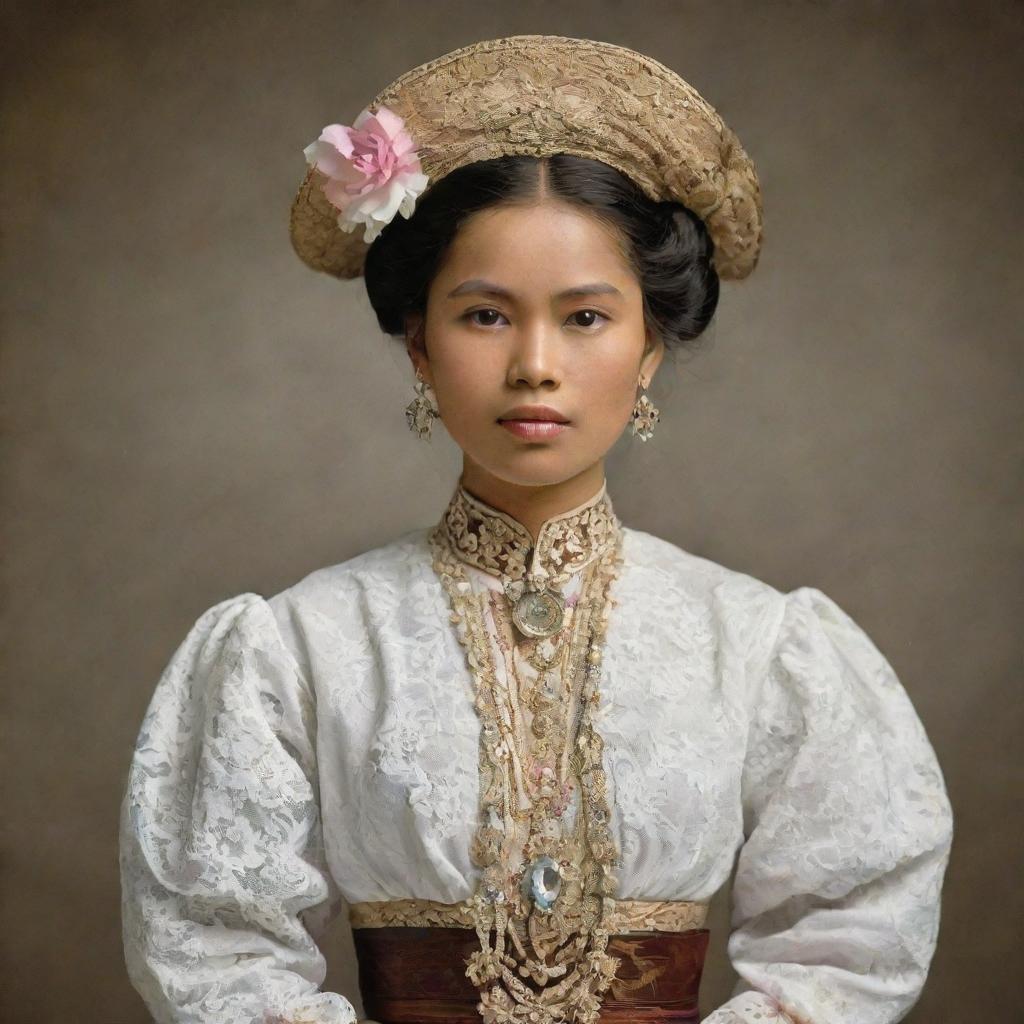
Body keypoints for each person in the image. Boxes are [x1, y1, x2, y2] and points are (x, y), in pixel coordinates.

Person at [119, 34, 954, 1024]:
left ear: (649, 347)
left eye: (586, 318)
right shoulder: (297, 646)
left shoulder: (760, 642)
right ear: (418, 344)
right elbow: (219, 953)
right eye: (484, 316)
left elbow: (850, 936)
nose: (535, 364)